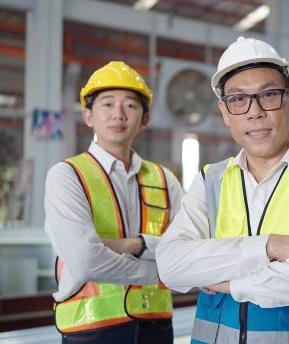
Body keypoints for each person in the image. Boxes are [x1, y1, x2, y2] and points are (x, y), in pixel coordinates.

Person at [156, 37, 289, 343]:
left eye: (268, 95)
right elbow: (171, 265)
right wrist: (272, 246)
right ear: (224, 112)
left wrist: (231, 283)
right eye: (239, 100)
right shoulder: (210, 180)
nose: (254, 112)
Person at [44, 61, 184, 344]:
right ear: (88, 116)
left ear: (144, 119)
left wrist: (132, 244)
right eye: (107, 104)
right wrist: (158, 270)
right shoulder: (68, 176)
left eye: (130, 106)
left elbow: (188, 248)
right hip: (91, 328)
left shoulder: (164, 179)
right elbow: (85, 261)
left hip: (156, 327)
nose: (118, 114)